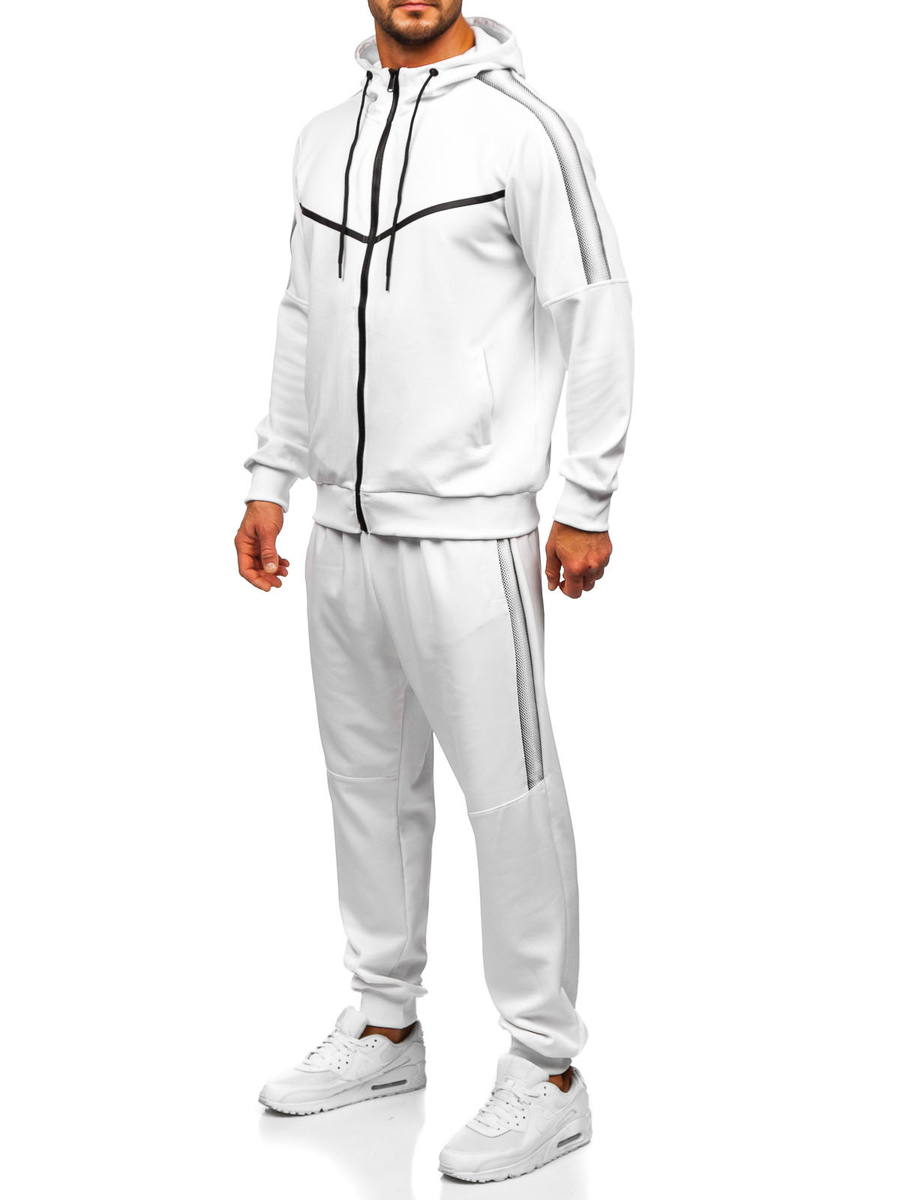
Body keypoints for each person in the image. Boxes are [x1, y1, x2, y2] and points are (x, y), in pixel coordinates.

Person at [235, 2, 634, 1184]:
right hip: (343, 529)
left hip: (472, 533)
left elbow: (596, 305)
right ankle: (384, 1026)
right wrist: (270, 476)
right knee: (366, 785)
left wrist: (587, 498)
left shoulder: (524, 130)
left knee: (510, 799)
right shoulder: (322, 137)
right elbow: (303, 313)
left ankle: (546, 1071)